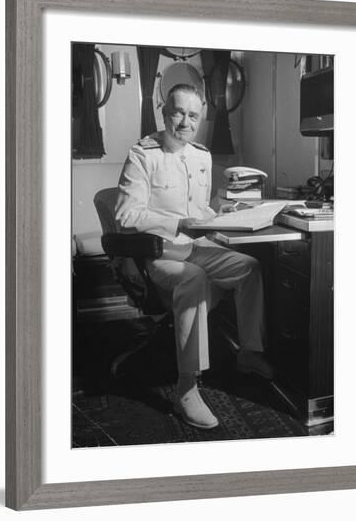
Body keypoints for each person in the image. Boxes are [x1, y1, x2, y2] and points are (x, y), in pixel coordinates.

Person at [115, 84, 273, 429]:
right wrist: (178, 224)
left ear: (200, 119)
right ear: (164, 111)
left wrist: (219, 215)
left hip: (195, 247)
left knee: (249, 267)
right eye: (178, 112)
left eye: (193, 115)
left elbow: (198, 209)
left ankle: (248, 352)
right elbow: (126, 216)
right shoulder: (143, 155)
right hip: (161, 253)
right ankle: (187, 387)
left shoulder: (201, 155)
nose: (185, 122)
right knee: (193, 278)